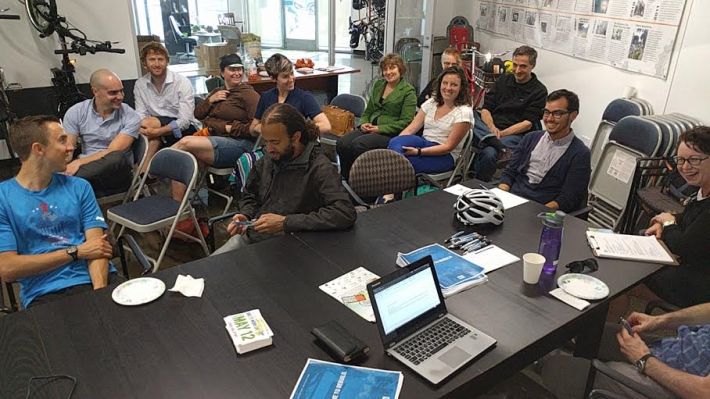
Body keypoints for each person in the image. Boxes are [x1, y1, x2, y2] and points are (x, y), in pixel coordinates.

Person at [0, 116, 115, 309]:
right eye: (62, 140)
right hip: (45, 294)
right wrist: (74, 252)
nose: (71, 147)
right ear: (39, 149)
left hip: (97, 281)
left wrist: (99, 296)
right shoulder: (4, 198)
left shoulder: (79, 187)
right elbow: (7, 268)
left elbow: (97, 248)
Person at [213, 103, 356, 255]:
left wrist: (286, 222)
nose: (268, 149)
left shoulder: (319, 167)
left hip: (294, 245)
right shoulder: (269, 159)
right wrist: (246, 215)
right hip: (256, 239)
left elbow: (344, 212)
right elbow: (250, 195)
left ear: (295, 137)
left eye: (275, 142)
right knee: (209, 271)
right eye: (266, 141)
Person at [171, 53, 260, 208]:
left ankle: (158, 165)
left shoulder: (249, 94)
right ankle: (177, 214)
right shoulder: (218, 92)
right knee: (183, 159)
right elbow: (198, 114)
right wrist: (210, 100)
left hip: (240, 145)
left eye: (239, 69)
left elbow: (256, 128)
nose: (237, 73)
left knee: (185, 143)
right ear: (222, 72)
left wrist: (227, 127)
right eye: (232, 69)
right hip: (216, 140)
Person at [642, 126, 710, 308]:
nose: (685, 167)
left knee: (629, 275)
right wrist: (664, 222)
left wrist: (667, 222)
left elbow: (683, 245)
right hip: (690, 266)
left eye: (694, 160)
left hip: (701, 284)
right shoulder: (702, 190)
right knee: (642, 239)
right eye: (680, 159)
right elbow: (693, 219)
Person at [497, 89, 590, 213]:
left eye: (557, 113)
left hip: (542, 211)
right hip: (513, 201)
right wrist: (500, 196)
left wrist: (537, 212)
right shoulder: (530, 138)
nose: (549, 119)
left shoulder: (580, 154)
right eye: (546, 112)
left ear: (573, 115)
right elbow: (509, 173)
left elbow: (568, 199)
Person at [597, 303, 710, 398]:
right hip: (674, 348)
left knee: (590, 371)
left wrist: (644, 359)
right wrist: (660, 320)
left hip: (680, 387)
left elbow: (704, 392)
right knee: (596, 334)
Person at [471, 45, 548, 182]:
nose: (517, 70)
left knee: (489, 153)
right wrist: (491, 128)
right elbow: (486, 109)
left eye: (523, 66)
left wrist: (502, 133)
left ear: (532, 66)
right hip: (491, 129)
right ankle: (493, 142)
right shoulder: (503, 80)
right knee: (469, 114)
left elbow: (527, 124)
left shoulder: (539, 91)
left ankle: (478, 184)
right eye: (515, 65)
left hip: (514, 134)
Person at [336, 53, 417, 179]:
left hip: (390, 133)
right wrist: (363, 123)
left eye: (392, 68)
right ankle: (346, 179)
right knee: (343, 143)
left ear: (400, 69)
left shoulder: (408, 91)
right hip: (371, 127)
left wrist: (380, 129)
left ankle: (363, 183)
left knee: (359, 145)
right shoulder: (379, 84)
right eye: (385, 69)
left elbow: (406, 122)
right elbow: (368, 110)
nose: (388, 72)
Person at [63, 69, 141, 194]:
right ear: (95, 91)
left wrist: (78, 162)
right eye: (113, 93)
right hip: (85, 169)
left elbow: (112, 151)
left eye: (121, 91)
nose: (120, 96)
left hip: (116, 173)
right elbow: (68, 148)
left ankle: (63, 181)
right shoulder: (76, 112)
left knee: (116, 157)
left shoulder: (131, 116)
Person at [387, 66, 472, 174]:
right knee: (394, 143)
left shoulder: (464, 112)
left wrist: (418, 152)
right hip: (424, 142)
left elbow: (448, 147)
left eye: (454, 85)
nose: (448, 87)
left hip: (444, 155)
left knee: (403, 163)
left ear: (461, 88)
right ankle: (391, 182)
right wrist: (396, 148)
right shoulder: (432, 102)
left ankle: (390, 189)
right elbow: (410, 129)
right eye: (445, 83)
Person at [133, 42, 198, 172]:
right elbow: (140, 114)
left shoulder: (182, 82)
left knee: (149, 125)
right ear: (144, 63)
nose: (157, 64)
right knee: (150, 137)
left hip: (184, 130)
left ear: (167, 61)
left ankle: (141, 176)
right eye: (152, 59)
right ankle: (144, 176)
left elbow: (185, 121)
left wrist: (157, 131)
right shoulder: (140, 84)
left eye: (160, 59)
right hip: (154, 129)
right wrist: (151, 132)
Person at [250, 53, 331, 136]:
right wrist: (267, 129)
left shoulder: (304, 97)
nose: (291, 79)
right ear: (273, 79)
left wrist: (296, 132)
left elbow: (326, 126)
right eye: (285, 77)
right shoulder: (266, 97)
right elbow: (252, 129)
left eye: (292, 73)